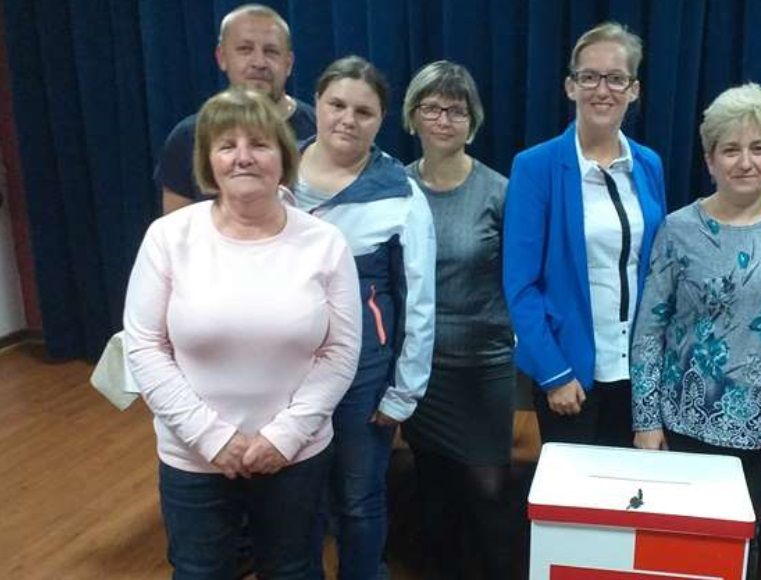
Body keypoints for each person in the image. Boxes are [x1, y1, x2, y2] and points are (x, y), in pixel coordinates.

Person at [123, 88, 361, 579]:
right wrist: (211, 437)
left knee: (294, 570)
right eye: (227, 145)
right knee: (199, 571)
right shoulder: (168, 237)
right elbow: (145, 346)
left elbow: (340, 351)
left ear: (284, 157)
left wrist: (284, 436)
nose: (243, 157)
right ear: (208, 162)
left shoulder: (325, 242)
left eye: (259, 143)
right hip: (193, 457)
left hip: (296, 454)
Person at [630, 83, 761, 579]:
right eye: (730, 149)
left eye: (758, 148)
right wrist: (646, 420)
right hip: (684, 421)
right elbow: (649, 331)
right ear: (709, 159)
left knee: (744, 536)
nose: (745, 161)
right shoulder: (678, 228)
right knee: (679, 539)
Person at [290, 55, 436, 580]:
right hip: (285, 375)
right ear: (317, 104)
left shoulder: (400, 192)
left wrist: (404, 390)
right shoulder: (276, 169)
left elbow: (419, 300)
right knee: (297, 501)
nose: (347, 119)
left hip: (363, 378)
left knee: (357, 499)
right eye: (336, 105)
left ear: (381, 120)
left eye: (364, 111)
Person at [503, 22, 666, 447]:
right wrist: (554, 373)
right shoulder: (535, 167)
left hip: (636, 369)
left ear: (634, 90)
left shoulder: (649, 164)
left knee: (628, 483)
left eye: (616, 78)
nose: (602, 90)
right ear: (570, 86)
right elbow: (520, 285)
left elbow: (656, 269)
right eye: (589, 77)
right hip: (569, 371)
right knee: (575, 485)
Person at [398, 60, 517, 579]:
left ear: (473, 121)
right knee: (435, 494)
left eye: (456, 110)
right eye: (432, 108)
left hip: (483, 366)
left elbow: (520, 279)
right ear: (412, 116)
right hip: (421, 371)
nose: (444, 119)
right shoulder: (394, 189)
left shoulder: (499, 191)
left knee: (489, 492)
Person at [155, 3, 315, 214]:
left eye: (271, 51)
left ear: (289, 63)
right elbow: (177, 227)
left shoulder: (318, 131)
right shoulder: (187, 137)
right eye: (245, 49)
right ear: (222, 57)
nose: (259, 62)